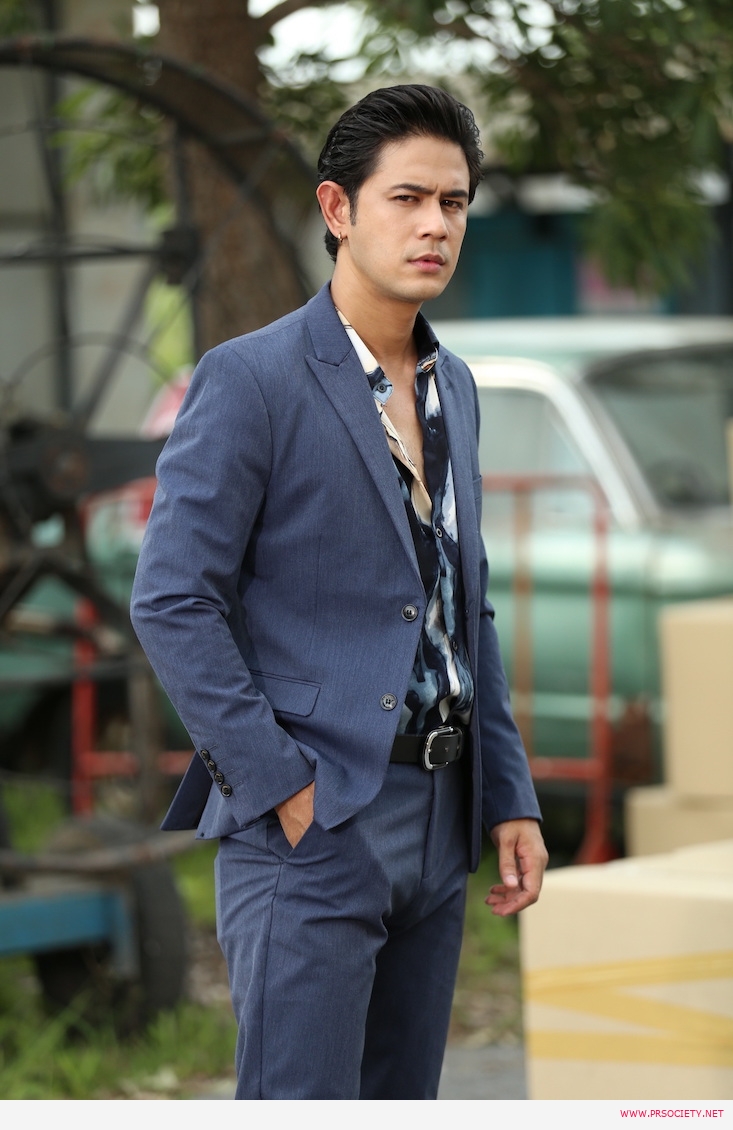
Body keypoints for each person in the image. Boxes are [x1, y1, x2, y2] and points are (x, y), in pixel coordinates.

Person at [130, 83, 547, 1101]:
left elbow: (464, 606)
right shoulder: (251, 379)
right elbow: (172, 598)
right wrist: (281, 785)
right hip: (314, 819)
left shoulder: (455, 387)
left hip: (441, 813)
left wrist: (507, 795)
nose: (434, 225)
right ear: (337, 208)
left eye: (452, 202)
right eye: (407, 198)